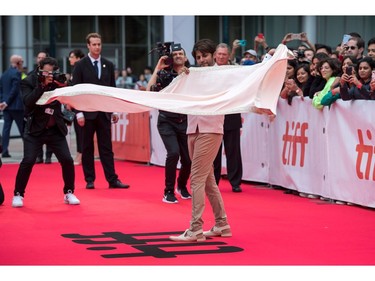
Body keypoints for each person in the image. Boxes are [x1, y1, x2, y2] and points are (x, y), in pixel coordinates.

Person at [170, 38, 231, 242]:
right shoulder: (191, 75)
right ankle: (222, 224)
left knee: (196, 178)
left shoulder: (222, 75)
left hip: (211, 129)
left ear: (213, 55)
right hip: (193, 128)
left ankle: (195, 228)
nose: (202, 60)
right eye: (198, 57)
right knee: (207, 181)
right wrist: (183, 77)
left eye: (205, 55)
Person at [11, 57, 80, 207]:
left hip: (55, 128)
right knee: (28, 161)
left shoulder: (57, 79)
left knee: (67, 160)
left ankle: (69, 192)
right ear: (39, 68)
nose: (49, 75)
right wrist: (42, 86)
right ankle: (18, 194)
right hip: (35, 128)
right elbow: (28, 102)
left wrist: (65, 84)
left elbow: (72, 93)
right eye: (46, 72)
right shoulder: (28, 80)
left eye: (52, 72)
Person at [72, 32, 129, 190]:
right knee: (87, 148)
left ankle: (112, 180)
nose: (97, 47)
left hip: (104, 113)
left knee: (106, 148)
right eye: (94, 44)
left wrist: (115, 110)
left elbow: (112, 89)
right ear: (88, 46)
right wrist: (79, 113)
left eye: (99, 44)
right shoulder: (80, 65)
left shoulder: (108, 65)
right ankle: (89, 179)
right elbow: (75, 90)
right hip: (86, 113)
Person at [147, 43, 192, 203]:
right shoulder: (164, 75)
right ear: (171, 58)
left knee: (188, 159)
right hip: (166, 121)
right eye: (175, 54)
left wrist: (187, 76)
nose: (178, 56)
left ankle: (182, 186)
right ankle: (168, 191)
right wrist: (157, 68)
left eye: (181, 53)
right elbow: (149, 91)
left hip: (185, 120)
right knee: (173, 153)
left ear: (185, 57)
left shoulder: (192, 74)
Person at [213, 43, 243, 193]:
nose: (221, 57)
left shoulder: (235, 71)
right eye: (219, 54)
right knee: (214, 152)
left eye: (224, 54)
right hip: (213, 115)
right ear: (215, 55)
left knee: (233, 151)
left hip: (231, 114)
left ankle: (235, 182)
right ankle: (213, 182)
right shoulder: (208, 71)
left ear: (228, 56)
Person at [29, 51, 53, 164]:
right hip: (37, 110)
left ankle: (48, 156)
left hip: (50, 109)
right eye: (38, 58)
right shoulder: (30, 75)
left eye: (42, 58)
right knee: (37, 135)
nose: (40, 59)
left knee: (51, 133)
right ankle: (39, 156)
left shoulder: (54, 76)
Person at [0, 55, 25, 158]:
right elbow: (14, 90)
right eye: (22, 62)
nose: (22, 64)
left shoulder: (4, 74)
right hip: (16, 107)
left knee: (6, 129)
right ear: (18, 63)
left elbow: (1, 90)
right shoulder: (17, 73)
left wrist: (3, 102)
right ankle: (29, 150)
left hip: (6, 107)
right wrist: (6, 102)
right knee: (23, 128)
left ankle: (4, 150)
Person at [67, 48, 85, 165]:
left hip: (81, 106)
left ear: (78, 58)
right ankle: (79, 153)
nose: (70, 59)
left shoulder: (81, 70)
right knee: (78, 132)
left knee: (81, 132)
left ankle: (81, 154)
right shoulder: (75, 70)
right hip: (74, 106)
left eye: (72, 57)